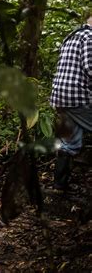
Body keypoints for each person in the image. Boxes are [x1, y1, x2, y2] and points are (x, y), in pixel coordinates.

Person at [49, 14, 92, 193]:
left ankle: (60, 184)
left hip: (60, 96)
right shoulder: (89, 38)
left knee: (69, 141)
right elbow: (90, 68)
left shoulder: (72, 36)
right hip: (77, 97)